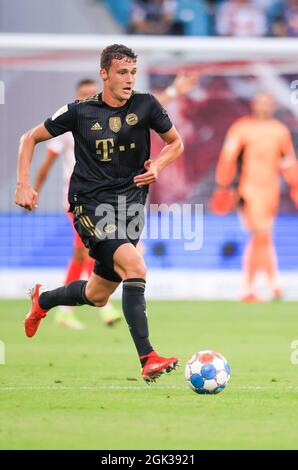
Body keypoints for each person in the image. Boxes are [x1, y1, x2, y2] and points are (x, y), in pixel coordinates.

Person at [15, 44, 184, 383]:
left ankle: (42, 299)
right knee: (136, 265)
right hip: (90, 204)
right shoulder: (80, 112)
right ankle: (148, 357)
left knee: (97, 294)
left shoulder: (147, 105)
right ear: (104, 74)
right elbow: (29, 137)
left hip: (131, 207)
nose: (129, 79)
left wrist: (158, 166)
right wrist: (23, 184)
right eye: (122, 72)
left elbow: (175, 143)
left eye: (133, 72)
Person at [34, 79, 122, 330]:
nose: (87, 97)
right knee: (85, 251)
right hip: (75, 201)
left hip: (102, 201)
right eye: (82, 94)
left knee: (88, 252)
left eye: (90, 93)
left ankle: (76, 308)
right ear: (76, 96)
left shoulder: (104, 124)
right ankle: (85, 307)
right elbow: (48, 161)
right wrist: (33, 189)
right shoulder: (67, 124)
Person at [210, 91, 298, 301]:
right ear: (254, 104)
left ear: (274, 105)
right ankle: (267, 284)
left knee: (262, 237)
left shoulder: (280, 131)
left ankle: (253, 287)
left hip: (271, 192)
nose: (265, 106)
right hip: (247, 189)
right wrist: (223, 187)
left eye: (269, 103)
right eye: (261, 102)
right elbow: (227, 159)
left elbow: (288, 163)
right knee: (262, 234)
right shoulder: (241, 129)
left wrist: (295, 186)